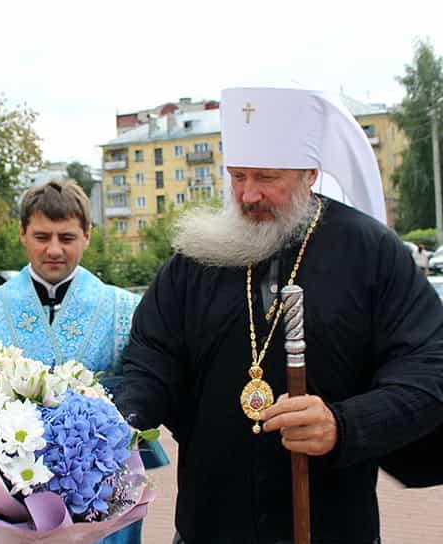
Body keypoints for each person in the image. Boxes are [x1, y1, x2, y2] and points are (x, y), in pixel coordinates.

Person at [118, 87, 443, 544]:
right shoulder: (198, 256)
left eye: (267, 177)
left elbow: (429, 367)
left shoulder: (370, 252)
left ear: (309, 173)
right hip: (211, 523)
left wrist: (344, 425)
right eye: (237, 177)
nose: (248, 194)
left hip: (332, 523)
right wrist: (123, 421)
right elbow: (153, 356)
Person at [0, 179, 164, 544]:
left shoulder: (126, 311)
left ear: (88, 235)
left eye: (67, 237)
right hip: (5, 505)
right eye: (43, 236)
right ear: (22, 234)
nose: (54, 249)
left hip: (100, 502)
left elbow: (150, 392)